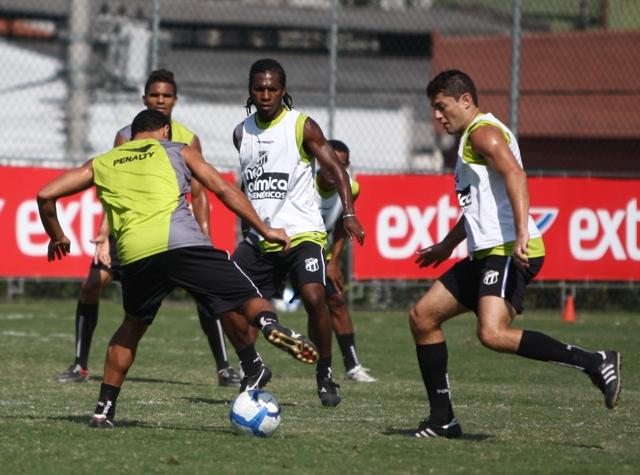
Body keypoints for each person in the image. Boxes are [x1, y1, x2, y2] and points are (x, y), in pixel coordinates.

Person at [38, 109, 319, 428]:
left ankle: (103, 410)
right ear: (165, 132)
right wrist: (265, 229)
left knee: (131, 326)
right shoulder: (178, 150)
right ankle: (269, 325)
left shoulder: (104, 161)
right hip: (184, 244)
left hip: (136, 254)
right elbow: (223, 190)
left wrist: (57, 236)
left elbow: (45, 195)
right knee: (243, 296)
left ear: (132, 135)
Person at [409, 69, 621, 439]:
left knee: (491, 333)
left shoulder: (483, 133)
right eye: (433, 109)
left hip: (508, 249)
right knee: (423, 317)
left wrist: (522, 231)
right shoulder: (467, 141)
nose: (437, 116)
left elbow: (516, 176)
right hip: (487, 252)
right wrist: (447, 244)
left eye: (442, 107)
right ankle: (443, 420)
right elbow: (480, 204)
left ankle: (594, 361)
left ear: (466, 101)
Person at [57, 69, 243, 388]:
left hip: (173, 230)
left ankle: (224, 367)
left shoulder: (187, 139)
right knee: (92, 285)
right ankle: (79, 364)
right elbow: (111, 188)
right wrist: (103, 235)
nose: (160, 100)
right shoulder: (125, 134)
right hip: (127, 230)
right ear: (144, 99)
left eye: (166, 95)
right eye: (154, 95)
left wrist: (203, 236)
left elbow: (199, 194)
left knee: (205, 295)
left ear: (175, 100)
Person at [224, 58, 366, 407]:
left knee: (315, 297)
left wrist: (348, 213)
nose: (266, 94)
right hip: (260, 239)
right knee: (222, 298)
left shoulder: (301, 125)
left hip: (302, 235)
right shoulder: (241, 132)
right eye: (259, 88)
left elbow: (336, 167)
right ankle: (252, 367)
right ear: (250, 91)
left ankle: (325, 374)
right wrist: (248, 227)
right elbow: (246, 186)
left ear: (283, 90)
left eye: (273, 88)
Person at [316, 139, 375, 382]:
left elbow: (343, 224)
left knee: (337, 301)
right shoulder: (303, 180)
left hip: (320, 253)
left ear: (347, 166)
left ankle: (352, 366)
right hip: (286, 246)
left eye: (341, 165)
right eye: (330, 163)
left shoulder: (351, 188)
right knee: (256, 300)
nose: (334, 169)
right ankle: (246, 365)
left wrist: (334, 262)